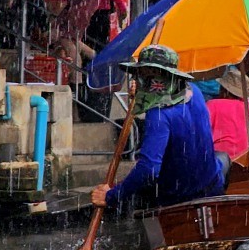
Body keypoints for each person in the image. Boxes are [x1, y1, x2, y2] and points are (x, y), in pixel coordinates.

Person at [90, 45, 224, 210]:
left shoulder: (159, 114)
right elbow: (161, 98)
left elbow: (149, 169)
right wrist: (140, 94)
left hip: (181, 198)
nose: (139, 79)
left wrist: (112, 196)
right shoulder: (193, 91)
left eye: (144, 75)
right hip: (212, 183)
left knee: (139, 187)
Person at [204, 66, 249, 160]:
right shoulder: (248, 108)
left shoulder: (212, 105)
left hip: (218, 157)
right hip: (241, 157)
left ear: (224, 90)